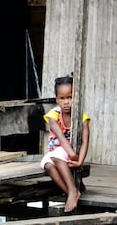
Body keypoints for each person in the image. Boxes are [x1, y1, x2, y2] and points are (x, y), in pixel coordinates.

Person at [40, 75, 91, 212]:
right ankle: (72, 192)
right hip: (63, 153)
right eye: (62, 98)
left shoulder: (81, 117)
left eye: (70, 97)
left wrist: (79, 160)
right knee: (47, 163)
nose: (67, 102)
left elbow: (85, 140)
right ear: (57, 99)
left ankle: (72, 192)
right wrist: (71, 154)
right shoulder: (53, 115)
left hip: (72, 152)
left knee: (56, 156)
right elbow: (60, 137)